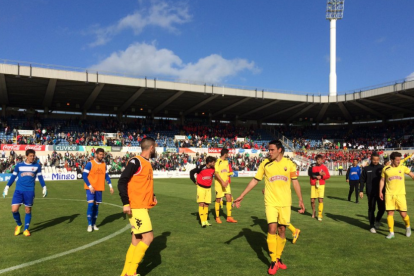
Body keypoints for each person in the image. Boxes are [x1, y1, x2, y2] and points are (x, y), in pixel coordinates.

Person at [233, 140, 305, 275]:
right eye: (269, 150)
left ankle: (278, 258)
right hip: (270, 202)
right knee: (272, 228)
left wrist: (300, 199)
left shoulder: (289, 164)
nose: (269, 152)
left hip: (285, 202)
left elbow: (295, 182)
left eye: (272, 150)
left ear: (279, 150)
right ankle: (273, 261)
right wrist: (242, 195)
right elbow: (255, 180)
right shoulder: (265, 164)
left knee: (282, 229)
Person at [118, 137, 157, 276]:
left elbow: (141, 184)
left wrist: (153, 195)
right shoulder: (136, 161)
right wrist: (126, 203)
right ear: (151, 147)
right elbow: (122, 181)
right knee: (149, 238)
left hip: (142, 206)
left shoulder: (146, 163)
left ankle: (125, 273)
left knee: (137, 240)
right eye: (155, 147)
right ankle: (132, 272)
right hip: (136, 207)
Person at [2, 149, 47, 236]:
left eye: (33, 156)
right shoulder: (19, 165)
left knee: (28, 210)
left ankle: (26, 229)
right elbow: (13, 177)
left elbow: (40, 178)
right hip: (18, 190)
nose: (32, 157)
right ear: (26, 156)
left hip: (29, 191)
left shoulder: (37, 166)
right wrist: (7, 187)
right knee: (14, 210)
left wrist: (44, 187)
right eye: (30, 156)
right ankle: (19, 225)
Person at [379, 152, 414, 239]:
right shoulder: (386, 169)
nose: (399, 161)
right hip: (389, 194)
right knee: (390, 213)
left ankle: (408, 227)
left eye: (399, 159)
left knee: (403, 214)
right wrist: (380, 191)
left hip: (400, 194)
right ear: (392, 160)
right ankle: (391, 232)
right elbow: (382, 180)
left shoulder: (403, 168)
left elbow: (412, 175)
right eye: (397, 160)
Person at [83, 148, 113, 232]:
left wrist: (110, 186)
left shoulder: (104, 164)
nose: (101, 156)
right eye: (100, 154)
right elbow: (84, 175)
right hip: (90, 188)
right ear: (96, 154)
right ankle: (89, 225)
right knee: (91, 205)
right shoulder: (90, 164)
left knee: (96, 206)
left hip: (99, 188)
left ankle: (94, 224)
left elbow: (106, 176)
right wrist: (90, 186)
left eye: (102, 154)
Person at [359, 152, 385, 233]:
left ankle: (377, 220)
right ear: (371, 159)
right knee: (371, 209)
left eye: (377, 160)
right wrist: (361, 191)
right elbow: (362, 180)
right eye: (374, 160)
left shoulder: (382, 168)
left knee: (382, 208)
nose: (376, 161)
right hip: (370, 192)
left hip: (381, 192)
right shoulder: (366, 169)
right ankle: (372, 225)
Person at [189, 156, 216, 227]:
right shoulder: (201, 167)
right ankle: (202, 221)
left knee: (207, 204)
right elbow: (191, 172)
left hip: (208, 189)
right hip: (201, 188)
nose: (214, 163)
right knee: (201, 204)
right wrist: (194, 181)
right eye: (213, 162)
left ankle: (206, 220)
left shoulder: (213, 169)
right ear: (209, 162)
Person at [214, 148, 237, 223]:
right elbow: (216, 173)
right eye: (228, 153)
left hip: (226, 183)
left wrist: (226, 180)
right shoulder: (217, 161)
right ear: (225, 154)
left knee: (229, 198)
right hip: (219, 184)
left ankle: (229, 217)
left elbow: (227, 172)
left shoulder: (227, 162)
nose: (228, 154)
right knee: (218, 199)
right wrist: (222, 182)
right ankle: (217, 217)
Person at [308, 155, 330, 221]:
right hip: (313, 185)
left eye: (320, 159)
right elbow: (310, 174)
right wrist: (315, 177)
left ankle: (320, 215)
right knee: (312, 200)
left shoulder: (324, 167)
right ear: (316, 160)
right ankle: (314, 211)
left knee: (320, 200)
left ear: (322, 160)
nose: (319, 161)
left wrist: (322, 177)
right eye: (318, 159)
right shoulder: (313, 167)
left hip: (321, 185)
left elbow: (328, 176)